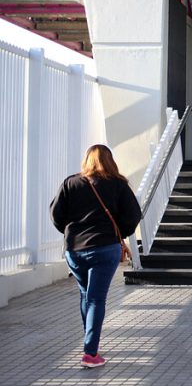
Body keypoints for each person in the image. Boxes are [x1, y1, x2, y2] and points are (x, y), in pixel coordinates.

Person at [50, 144, 141, 368]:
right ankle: (90, 353)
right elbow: (133, 215)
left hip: (75, 250)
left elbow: (55, 214)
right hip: (104, 247)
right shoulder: (118, 184)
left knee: (86, 295)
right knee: (96, 298)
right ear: (110, 160)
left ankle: (91, 342)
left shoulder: (70, 183)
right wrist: (119, 231)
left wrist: (72, 233)